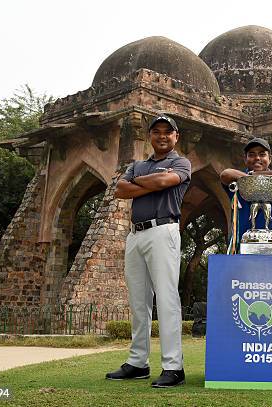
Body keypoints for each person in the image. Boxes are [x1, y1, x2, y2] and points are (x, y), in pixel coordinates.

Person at [106, 114, 190, 388]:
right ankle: (138, 362)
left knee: (166, 298)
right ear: (150, 136)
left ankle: (173, 366)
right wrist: (154, 179)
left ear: (176, 136)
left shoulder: (181, 162)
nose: (162, 136)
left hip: (163, 229)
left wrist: (143, 183)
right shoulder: (138, 164)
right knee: (138, 301)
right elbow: (119, 189)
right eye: (157, 132)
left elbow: (165, 183)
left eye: (168, 132)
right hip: (136, 234)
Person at [220, 138, 272, 254]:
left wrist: (256, 175)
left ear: (270, 158)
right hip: (243, 246)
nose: (257, 158)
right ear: (245, 159)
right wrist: (249, 179)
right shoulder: (239, 181)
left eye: (262, 154)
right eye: (252, 154)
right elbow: (225, 174)